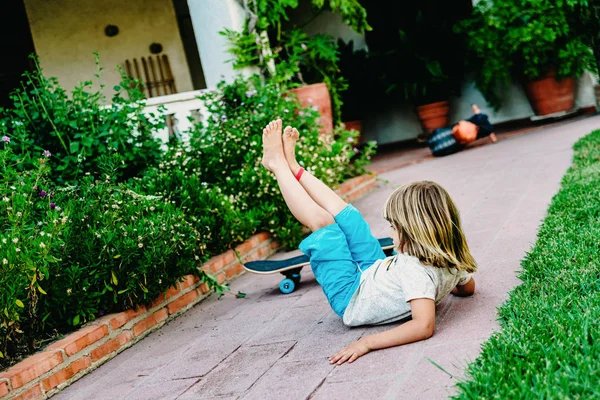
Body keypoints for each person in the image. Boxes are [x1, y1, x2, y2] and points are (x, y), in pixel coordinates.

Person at [261, 119, 477, 365]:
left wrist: (366, 343)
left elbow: (423, 326)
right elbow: (468, 289)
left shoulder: (416, 272)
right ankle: (294, 167)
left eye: (394, 227)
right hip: (378, 271)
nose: (390, 231)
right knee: (348, 216)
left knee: (324, 224)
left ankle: (277, 165)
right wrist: (444, 286)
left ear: (415, 232)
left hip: (351, 295)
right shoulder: (451, 258)